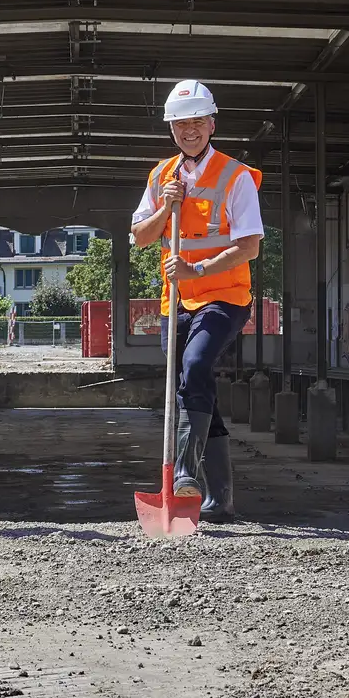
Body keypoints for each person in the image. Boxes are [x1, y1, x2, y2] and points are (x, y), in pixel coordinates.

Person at [131, 80, 264, 523]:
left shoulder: (235, 176)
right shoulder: (160, 176)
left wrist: (199, 271)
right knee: (194, 386)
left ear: (212, 123)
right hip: (178, 302)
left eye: (196, 122)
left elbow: (249, 247)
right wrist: (166, 209)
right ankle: (220, 500)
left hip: (225, 297)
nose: (189, 130)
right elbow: (140, 237)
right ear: (171, 128)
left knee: (195, 367)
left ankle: (185, 472)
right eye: (180, 124)